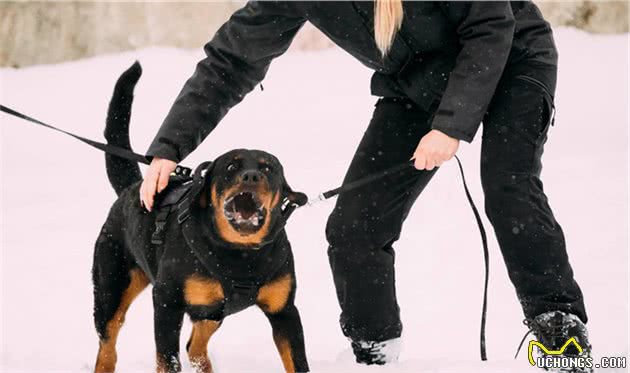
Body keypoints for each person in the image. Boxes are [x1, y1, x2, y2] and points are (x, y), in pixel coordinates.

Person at [140, 1, 591, 369]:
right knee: (355, 226)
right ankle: (373, 354)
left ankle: (561, 329)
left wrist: (452, 123)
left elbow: (491, 23)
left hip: (513, 58)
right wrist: (169, 146)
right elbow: (231, 60)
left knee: (508, 187)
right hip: (418, 86)